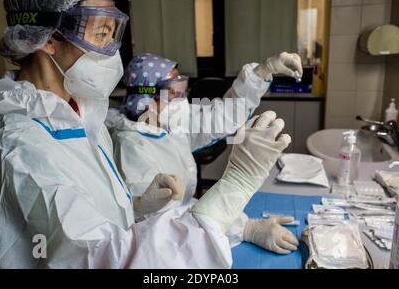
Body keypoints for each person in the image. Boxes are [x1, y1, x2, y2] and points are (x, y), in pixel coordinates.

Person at [0, 0, 295, 268]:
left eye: (113, 34)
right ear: (48, 38)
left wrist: (135, 206)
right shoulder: (19, 149)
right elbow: (103, 261)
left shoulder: (78, 117)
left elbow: (92, 224)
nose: (111, 50)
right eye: (99, 34)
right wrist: (235, 189)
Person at [105, 52, 302, 253]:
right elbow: (170, 228)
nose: (180, 97)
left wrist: (261, 73)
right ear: (145, 96)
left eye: (181, 86)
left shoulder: (165, 124)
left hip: (194, 221)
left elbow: (223, 115)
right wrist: (246, 228)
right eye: (172, 90)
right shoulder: (132, 149)